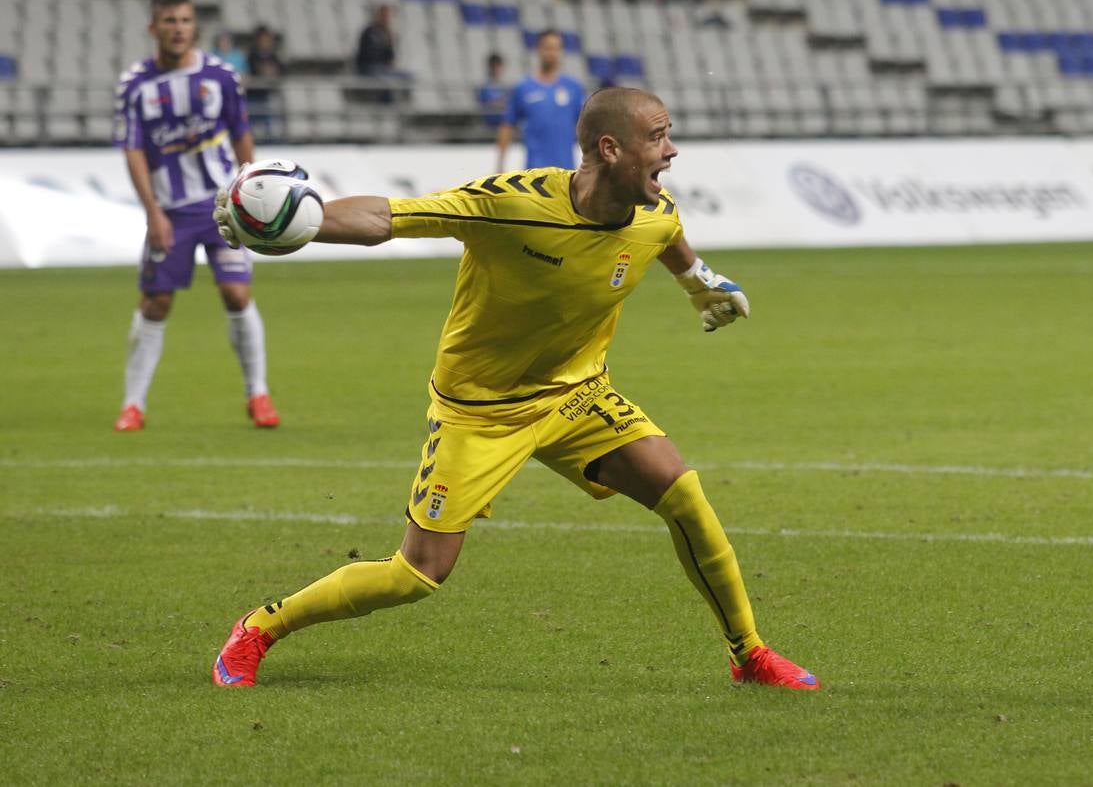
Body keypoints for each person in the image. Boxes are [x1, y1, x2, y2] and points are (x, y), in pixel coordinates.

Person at [210, 86, 820, 691]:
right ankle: (259, 627)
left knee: (683, 494)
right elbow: (388, 218)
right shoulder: (512, 204)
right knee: (416, 574)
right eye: (658, 137)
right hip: (479, 412)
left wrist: (701, 285)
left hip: (576, 396)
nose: (672, 150)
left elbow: (670, 241)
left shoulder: (655, 212)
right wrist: (301, 221)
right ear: (610, 149)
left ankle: (749, 654)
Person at [111, 0, 279, 432]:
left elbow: (241, 133)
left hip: (220, 207)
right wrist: (153, 212)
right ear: (153, 28)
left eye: (185, 20)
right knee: (156, 303)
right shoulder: (134, 85)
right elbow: (133, 151)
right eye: (169, 21)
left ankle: (258, 394)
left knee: (236, 294)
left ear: (194, 26)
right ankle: (133, 404)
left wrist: (249, 191)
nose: (178, 29)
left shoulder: (221, 77)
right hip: (170, 210)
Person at [496, 29, 586, 171]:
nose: (551, 52)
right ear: (538, 49)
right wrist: (500, 165)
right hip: (534, 173)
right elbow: (507, 126)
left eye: (556, 48)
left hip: (566, 172)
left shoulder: (573, 88)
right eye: (547, 47)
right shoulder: (523, 88)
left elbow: (587, 127)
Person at [355, 4, 397, 78]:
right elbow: (367, 54)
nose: (385, 18)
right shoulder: (369, 32)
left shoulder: (387, 33)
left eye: (387, 16)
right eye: (383, 15)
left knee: (407, 77)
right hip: (368, 67)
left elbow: (390, 56)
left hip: (382, 68)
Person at [476, 52, 509, 128]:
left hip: (505, 125)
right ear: (490, 67)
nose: (496, 69)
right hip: (490, 126)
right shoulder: (484, 86)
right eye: (494, 66)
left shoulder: (505, 86)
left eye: (498, 66)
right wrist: (501, 103)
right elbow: (488, 104)